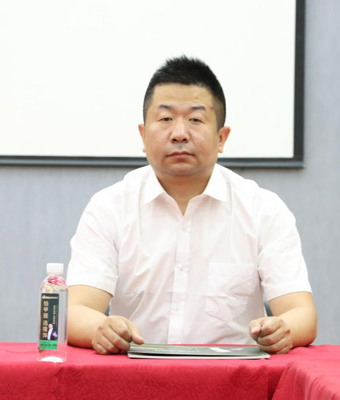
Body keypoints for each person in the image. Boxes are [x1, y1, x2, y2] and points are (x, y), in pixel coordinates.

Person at [66, 56, 317, 355]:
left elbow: (302, 314)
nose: (179, 134)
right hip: (135, 371)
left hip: (232, 374)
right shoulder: (109, 208)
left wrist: (282, 329)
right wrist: (102, 328)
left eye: (195, 120)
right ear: (143, 136)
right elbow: (76, 311)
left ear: (222, 138)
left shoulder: (263, 210)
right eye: (165, 119)